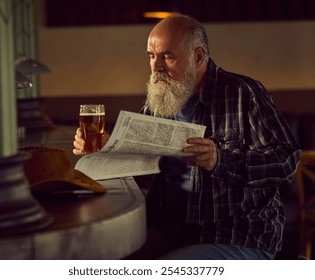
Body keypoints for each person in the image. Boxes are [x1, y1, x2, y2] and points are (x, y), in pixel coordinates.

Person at [73, 13, 301, 260]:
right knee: (95, 259)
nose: (156, 66)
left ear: (199, 56)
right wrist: (108, 148)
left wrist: (220, 161)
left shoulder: (243, 93)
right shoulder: (159, 101)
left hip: (235, 235)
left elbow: (286, 161)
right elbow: (140, 161)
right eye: (152, 56)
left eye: (167, 56)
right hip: (170, 232)